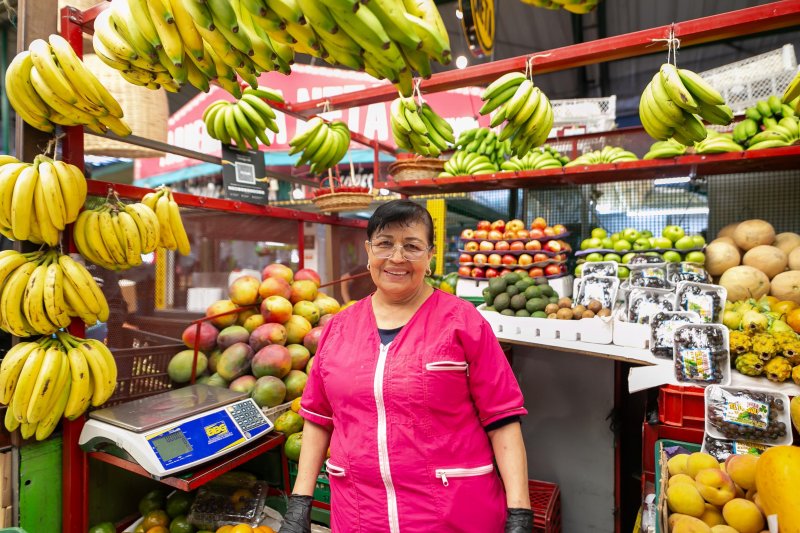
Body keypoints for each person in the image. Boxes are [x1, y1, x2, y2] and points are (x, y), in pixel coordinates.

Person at [279, 200, 532, 533]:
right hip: (360, 515)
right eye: (385, 244)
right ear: (368, 251)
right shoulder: (338, 329)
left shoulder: (463, 323)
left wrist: (519, 513)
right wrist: (300, 504)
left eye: (411, 246)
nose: (397, 258)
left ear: (429, 257)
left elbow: (503, 419)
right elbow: (318, 418)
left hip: (452, 514)